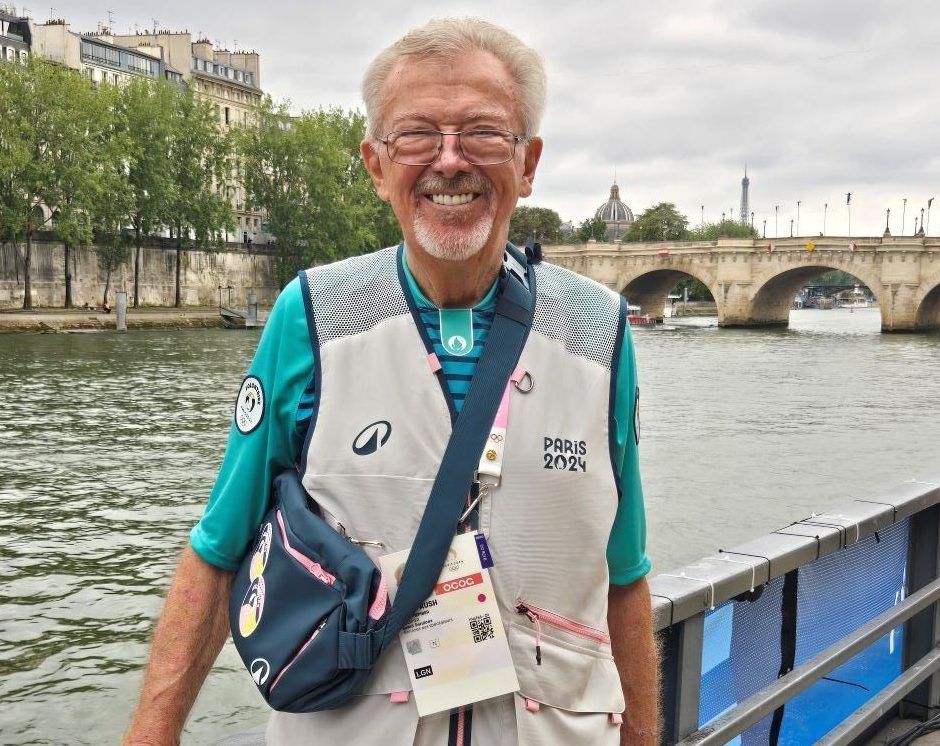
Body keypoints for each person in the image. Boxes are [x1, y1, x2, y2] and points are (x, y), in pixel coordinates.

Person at [123, 18, 658, 746]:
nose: (448, 161)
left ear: (527, 163)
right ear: (376, 165)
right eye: (414, 136)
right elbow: (221, 550)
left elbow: (623, 574)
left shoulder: (599, 329)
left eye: (482, 133)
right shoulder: (310, 316)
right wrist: (152, 734)